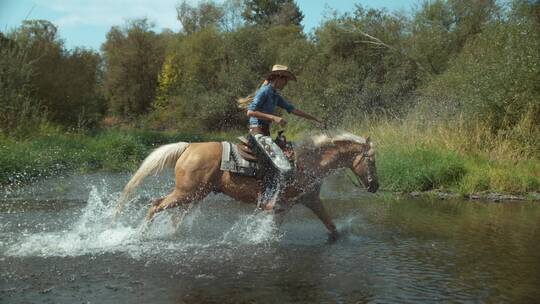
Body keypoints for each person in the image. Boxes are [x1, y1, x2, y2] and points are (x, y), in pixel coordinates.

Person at [238, 64, 324, 210]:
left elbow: (293, 109)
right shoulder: (264, 91)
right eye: (285, 80)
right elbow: (250, 112)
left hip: (264, 134)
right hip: (256, 134)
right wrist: (273, 117)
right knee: (280, 164)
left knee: (289, 158)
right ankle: (266, 199)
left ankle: (274, 195)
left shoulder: (275, 95)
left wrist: (314, 119)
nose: (286, 83)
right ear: (277, 78)